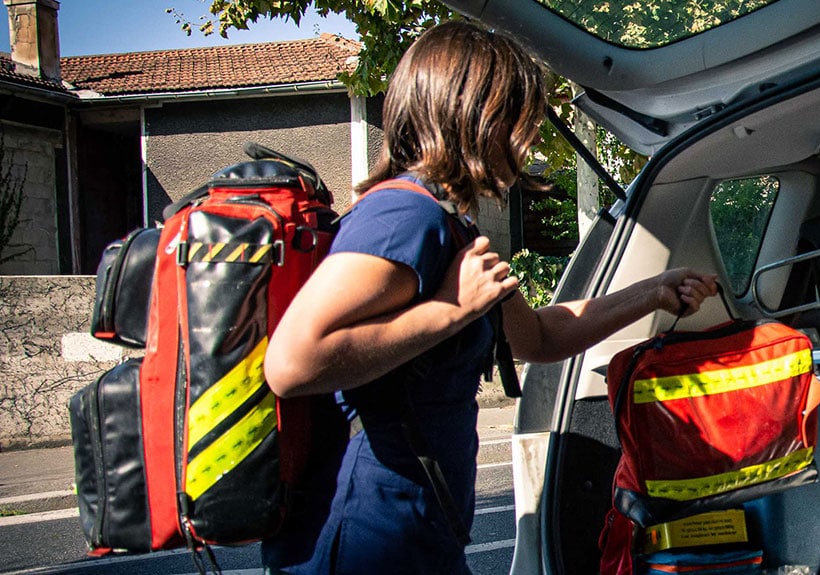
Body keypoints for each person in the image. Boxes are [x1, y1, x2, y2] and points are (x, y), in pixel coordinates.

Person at [259, 19, 718, 574]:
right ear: (476, 116)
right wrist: (451, 309)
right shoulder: (403, 217)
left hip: (420, 528)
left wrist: (652, 292)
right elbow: (292, 363)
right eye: (519, 117)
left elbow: (539, 337)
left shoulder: (449, 223)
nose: (526, 140)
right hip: (368, 536)